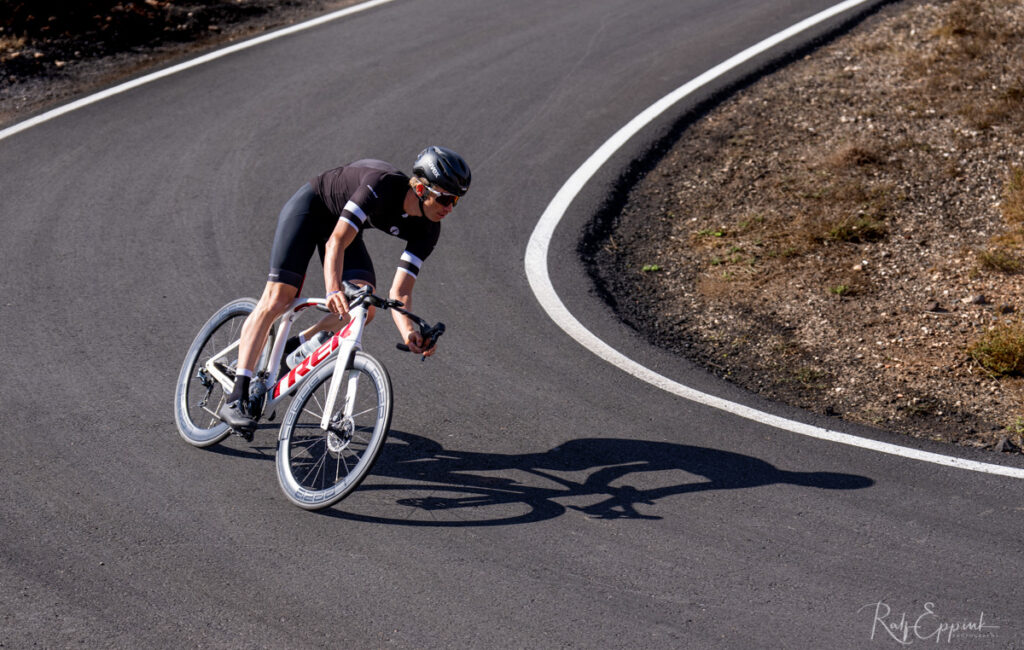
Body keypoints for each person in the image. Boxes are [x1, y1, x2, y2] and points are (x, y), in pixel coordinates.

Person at [218, 146, 471, 436]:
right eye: (445, 198)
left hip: (339, 226)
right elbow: (336, 242)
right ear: (418, 187)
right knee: (278, 299)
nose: (450, 208)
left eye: (456, 201)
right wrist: (332, 289)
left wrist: (410, 333)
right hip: (310, 210)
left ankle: (297, 346)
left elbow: (400, 292)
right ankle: (235, 398)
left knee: (365, 309)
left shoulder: (428, 230)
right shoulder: (381, 185)